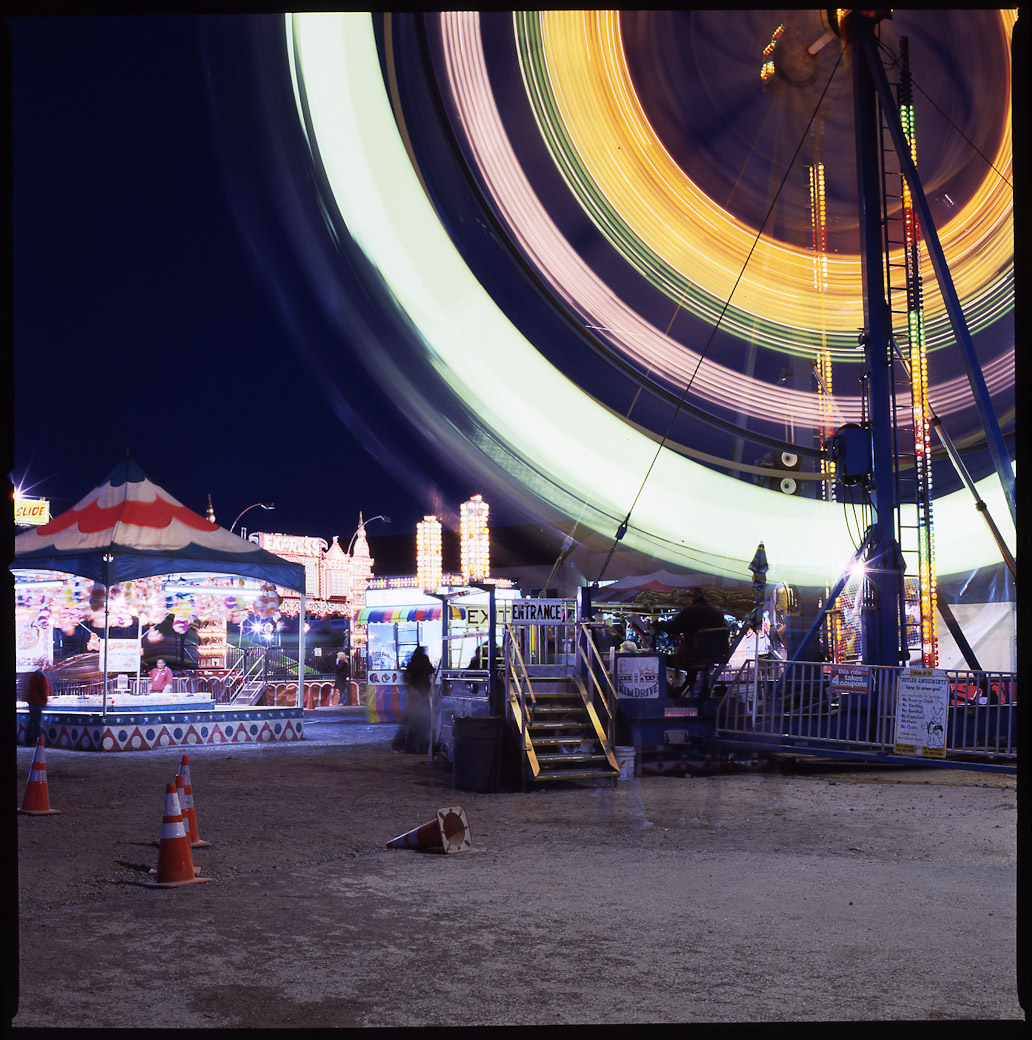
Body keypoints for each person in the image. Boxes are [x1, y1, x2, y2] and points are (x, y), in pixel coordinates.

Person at [655, 591, 729, 696]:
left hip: (697, 651)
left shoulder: (691, 610)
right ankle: (700, 687)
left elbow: (674, 627)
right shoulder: (717, 612)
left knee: (677, 654)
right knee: (699, 661)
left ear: (692, 598)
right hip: (717, 653)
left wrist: (659, 625)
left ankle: (676, 684)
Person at [399, 646, 435, 754]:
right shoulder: (425, 661)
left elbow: (407, 677)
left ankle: (409, 747)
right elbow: (432, 670)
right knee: (423, 721)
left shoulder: (411, 663)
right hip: (424, 691)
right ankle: (423, 747)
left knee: (413, 721)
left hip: (414, 693)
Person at [25, 669, 50, 746]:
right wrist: (45, 701)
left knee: (31, 722)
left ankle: (27, 741)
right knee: (37, 724)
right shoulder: (42, 678)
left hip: (31, 702)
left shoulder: (32, 678)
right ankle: (37, 742)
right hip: (38, 703)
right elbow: (44, 690)